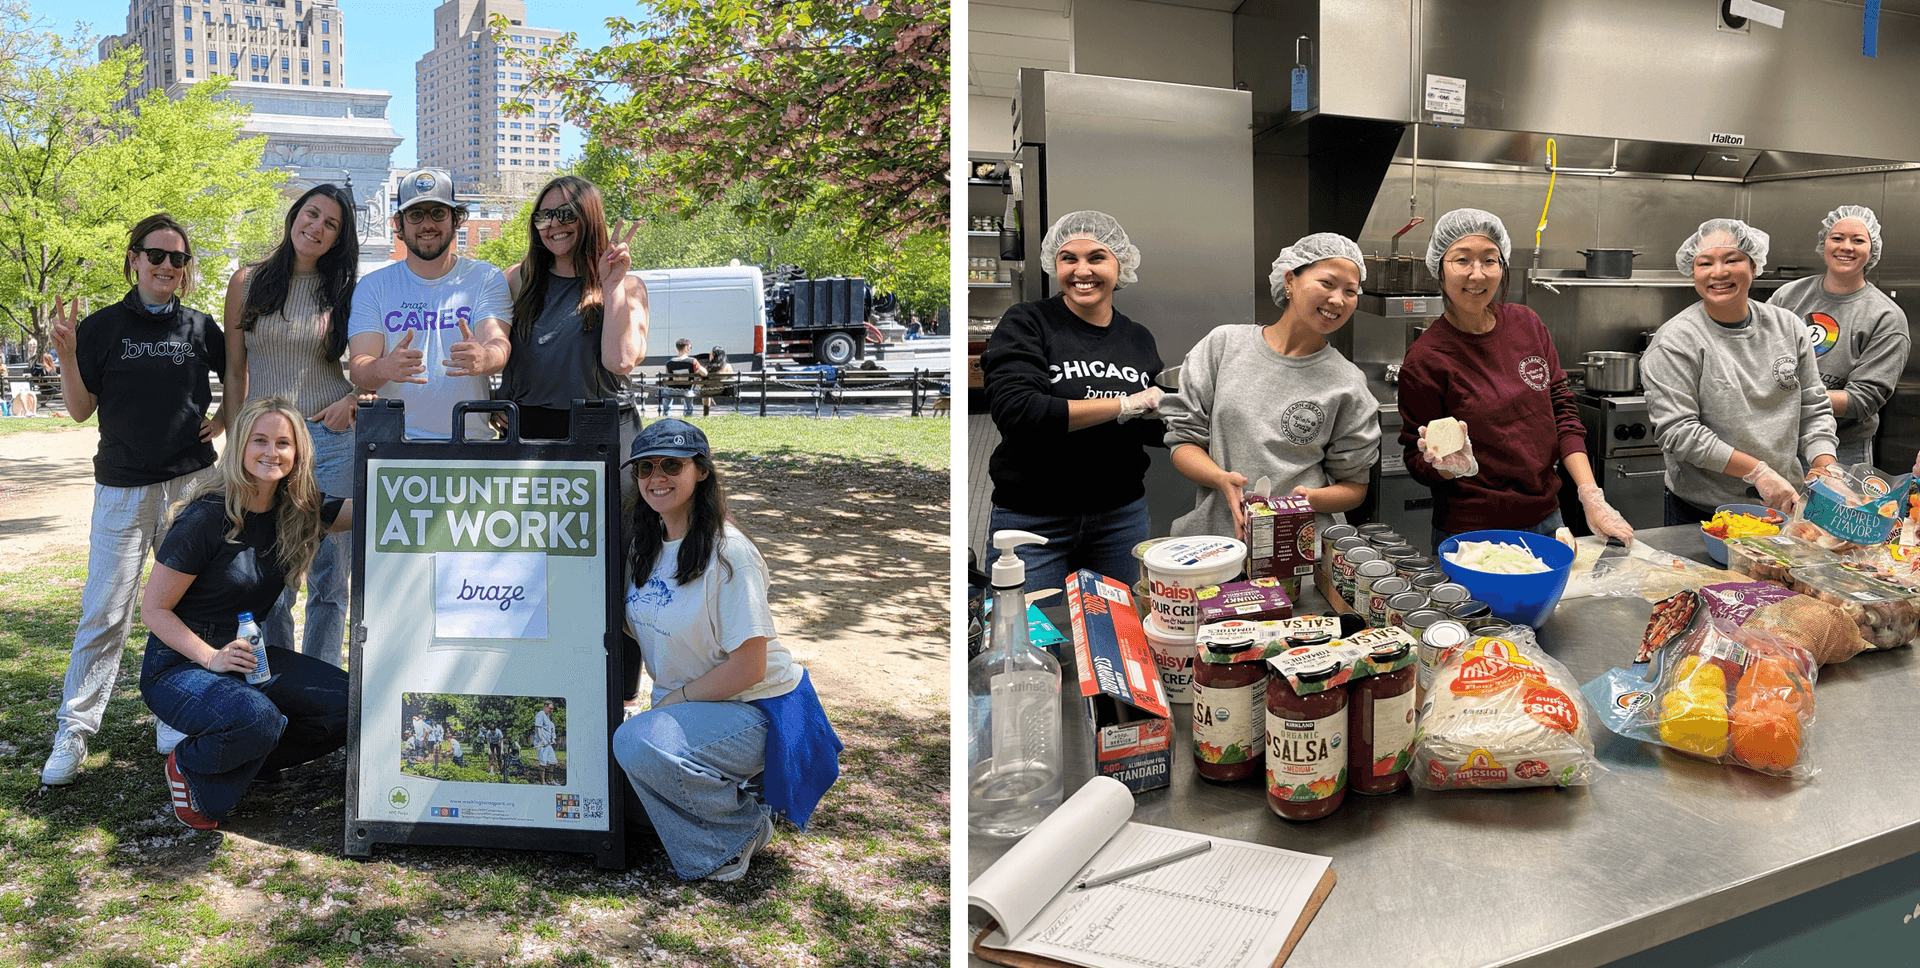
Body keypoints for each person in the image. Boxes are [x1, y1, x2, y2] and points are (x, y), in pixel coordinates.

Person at [41, 214, 229, 786]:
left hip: (192, 486)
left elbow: (240, 374)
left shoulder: (201, 327)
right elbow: (79, 411)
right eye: (155, 255)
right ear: (134, 260)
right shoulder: (99, 327)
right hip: (123, 489)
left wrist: (227, 417)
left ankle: (175, 714)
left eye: (177, 259)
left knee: (189, 608)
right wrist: (69, 356)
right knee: (106, 611)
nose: (166, 266)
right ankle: (73, 732)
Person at [612, 419, 840, 882]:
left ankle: (738, 835)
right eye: (645, 468)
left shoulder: (729, 554)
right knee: (621, 797)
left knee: (634, 744)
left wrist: (676, 700)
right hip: (697, 710)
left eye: (672, 465)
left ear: (701, 472)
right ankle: (741, 792)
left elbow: (750, 666)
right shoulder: (645, 546)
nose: (657, 477)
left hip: (759, 708)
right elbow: (645, 625)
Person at [138, 395, 353, 829]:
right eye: (259, 441)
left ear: (298, 452)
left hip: (249, 659)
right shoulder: (205, 517)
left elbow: (369, 511)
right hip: (180, 666)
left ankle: (248, 760)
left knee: (352, 704)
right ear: (239, 447)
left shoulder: (295, 510)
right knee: (259, 719)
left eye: (282, 443)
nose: (271, 453)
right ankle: (191, 767)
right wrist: (211, 658)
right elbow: (153, 610)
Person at [1398, 209, 1633, 549]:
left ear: (1503, 265)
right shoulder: (1426, 358)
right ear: (1439, 267)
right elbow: (1417, 459)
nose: (1477, 275)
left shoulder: (1527, 324)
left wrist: (1590, 496)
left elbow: (1562, 412)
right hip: (1471, 534)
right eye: (1462, 260)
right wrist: (1448, 467)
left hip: (1549, 519)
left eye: (1489, 260)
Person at [980, 211, 1165, 604]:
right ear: (1054, 265)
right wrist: (1124, 404)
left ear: (1121, 264)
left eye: (1097, 258)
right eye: (1069, 259)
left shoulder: (1137, 338)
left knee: (1120, 639)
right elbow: (1019, 412)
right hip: (1033, 518)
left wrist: (1187, 412)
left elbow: (1149, 427)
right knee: (1032, 641)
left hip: (1120, 516)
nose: (1083, 270)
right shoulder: (1028, 322)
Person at [223, 184, 363, 670]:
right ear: (293, 216)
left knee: (331, 575)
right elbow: (235, 368)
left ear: (339, 239)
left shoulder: (347, 291)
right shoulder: (247, 281)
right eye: (311, 214)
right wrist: (235, 443)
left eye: (331, 224)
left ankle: (323, 680)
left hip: (330, 439)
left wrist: (354, 397)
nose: (317, 228)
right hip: (265, 444)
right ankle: (280, 676)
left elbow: (370, 362)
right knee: (270, 572)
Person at [1162, 234, 1380, 542]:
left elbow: (1355, 487)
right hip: (1218, 542)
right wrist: (1222, 479)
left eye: (1350, 291)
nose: (1338, 300)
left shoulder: (1348, 381)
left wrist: (1308, 500)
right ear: (1290, 279)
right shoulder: (1224, 346)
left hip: (1300, 548)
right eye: (1327, 283)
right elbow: (1183, 441)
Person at [1643, 219, 1839, 522]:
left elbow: (1813, 408)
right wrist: (1758, 472)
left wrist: (1825, 467)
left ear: (1754, 266)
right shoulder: (1676, 341)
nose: (1718, 272)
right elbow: (1679, 432)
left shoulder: (1788, 327)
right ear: (1692, 272)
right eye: (1705, 263)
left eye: (1732, 260)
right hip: (1705, 512)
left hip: (1783, 506)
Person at [347, 168, 512, 440]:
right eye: (415, 214)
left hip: (469, 442)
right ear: (399, 224)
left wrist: (484, 359)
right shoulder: (374, 285)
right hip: (393, 443)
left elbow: (498, 346)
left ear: (456, 219)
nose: (427, 224)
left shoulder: (485, 277)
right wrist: (384, 367)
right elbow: (359, 369)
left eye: (438, 212)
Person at [498, 174, 649, 443]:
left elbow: (621, 361)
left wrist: (612, 285)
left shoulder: (629, 287)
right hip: (527, 430)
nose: (554, 224)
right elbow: (490, 350)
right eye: (543, 217)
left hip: (601, 428)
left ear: (589, 219)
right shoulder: (516, 280)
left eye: (566, 214)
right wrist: (491, 399)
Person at [1766, 205, 1911, 469]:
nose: (1846, 247)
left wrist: (1789, 398)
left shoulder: (1886, 317)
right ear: (1824, 245)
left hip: (1842, 448)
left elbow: (1862, 399)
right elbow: (1757, 356)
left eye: (1858, 240)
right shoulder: (1788, 296)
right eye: (1837, 238)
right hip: (1776, 439)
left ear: (1872, 250)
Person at [664, 338, 705, 417]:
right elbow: (704, 373)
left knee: (666, 392)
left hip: (672, 391)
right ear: (686, 348)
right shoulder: (692, 361)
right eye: (690, 348)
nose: (690, 350)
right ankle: (688, 415)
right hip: (687, 391)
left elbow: (666, 378)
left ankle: (665, 415)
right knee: (688, 393)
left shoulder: (669, 363)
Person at [700, 346, 735, 417]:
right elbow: (732, 380)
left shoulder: (707, 368)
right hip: (722, 391)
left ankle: (706, 414)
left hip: (708, 391)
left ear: (713, 356)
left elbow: (701, 382)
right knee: (709, 389)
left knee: (706, 391)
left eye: (711, 354)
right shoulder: (728, 366)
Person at [533, 701, 558, 785]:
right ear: (545, 706)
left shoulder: (548, 717)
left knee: (553, 762)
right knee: (543, 764)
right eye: (550, 708)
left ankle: (550, 780)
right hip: (541, 744)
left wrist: (552, 739)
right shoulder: (540, 715)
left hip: (547, 744)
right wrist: (541, 740)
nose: (551, 710)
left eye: (552, 709)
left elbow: (551, 729)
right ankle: (543, 782)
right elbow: (538, 729)